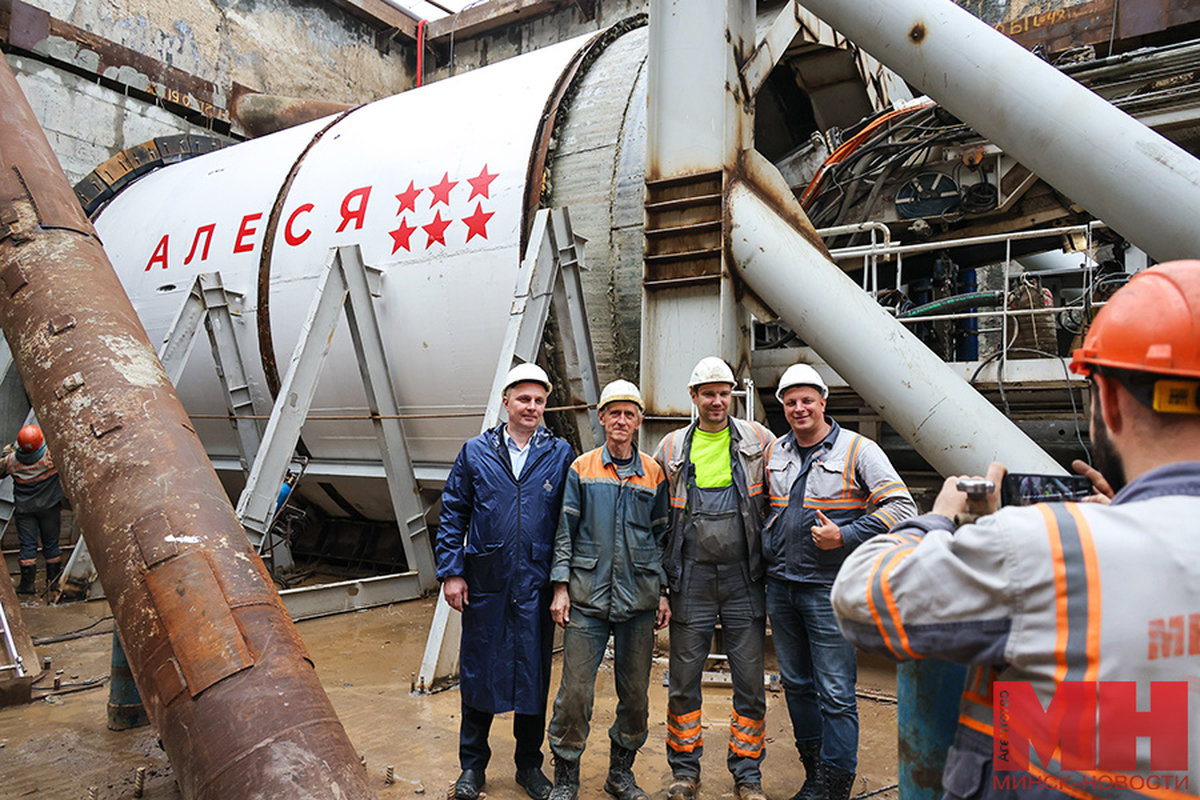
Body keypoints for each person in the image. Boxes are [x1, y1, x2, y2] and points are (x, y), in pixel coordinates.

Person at [830, 261, 1200, 798]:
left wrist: (936, 519)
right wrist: (1123, 511)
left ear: (1110, 402)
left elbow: (861, 600)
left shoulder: (1050, 547)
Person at [763, 364, 917, 800]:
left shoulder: (858, 449)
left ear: (823, 402)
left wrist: (845, 536)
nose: (799, 408)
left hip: (828, 589)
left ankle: (835, 788)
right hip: (782, 586)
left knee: (835, 691)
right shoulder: (777, 451)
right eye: (791, 402)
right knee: (796, 685)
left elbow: (902, 508)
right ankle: (814, 777)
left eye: (807, 400)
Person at [435, 363, 575, 800]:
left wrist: (561, 583)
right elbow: (453, 512)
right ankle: (472, 767)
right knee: (479, 672)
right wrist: (452, 572)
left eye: (539, 400)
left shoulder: (559, 453)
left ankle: (529, 766)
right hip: (487, 582)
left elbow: (568, 523)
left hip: (535, 583)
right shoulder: (476, 452)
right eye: (524, 399)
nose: (532, 407)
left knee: (533, 676)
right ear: (506, 401)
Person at [653, 357, 776, 800]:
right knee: (684, 682)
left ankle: (748, 774)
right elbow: (658, 520)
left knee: (750, 683)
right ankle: (684, 771)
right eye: (708, 394)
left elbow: (779, 501)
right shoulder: (671, 447)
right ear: (694, 397)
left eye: (724, 393)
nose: (717, 401)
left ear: (732, 395)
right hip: (692, 578)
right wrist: (662, 587)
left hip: (745, 577)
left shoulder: (759, 440)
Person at [545, 380, 671, 800]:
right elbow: (565, 531)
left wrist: (664, 593)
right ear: (601, 417)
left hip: (639, 599)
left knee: (635, 696)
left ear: (639, 421)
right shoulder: (582, 468)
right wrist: (561, 587)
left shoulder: (653, 473)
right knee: (575, 693)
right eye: (614, 412)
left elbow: (662, 536)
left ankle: (620, 774)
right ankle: (566, 775)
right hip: (587, 597)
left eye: (628, 414)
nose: (621, 420)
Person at [2, 424, 66, 595]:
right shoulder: (51, 456)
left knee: (28, 546)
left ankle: (27, 585)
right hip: (49, 508)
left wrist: (7, 452)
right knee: (51, 546)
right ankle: (52, 583)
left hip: (25, 510)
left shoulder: (11, 461)